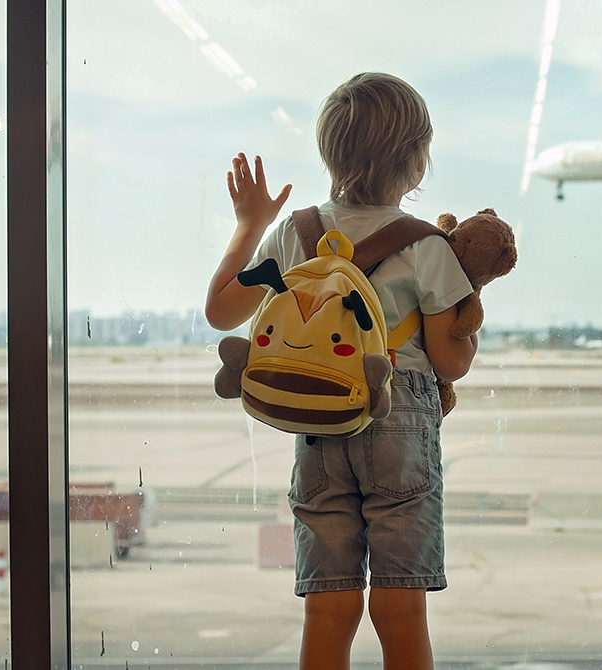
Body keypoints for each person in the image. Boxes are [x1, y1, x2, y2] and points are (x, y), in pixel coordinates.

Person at [203, 72, 477, 670]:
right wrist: (470, 302)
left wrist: (250, 224)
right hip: (396, 420)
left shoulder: (298, 233)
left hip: (321, 420)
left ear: (328, 152)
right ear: (416, 161)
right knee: (400, 607)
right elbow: (450, 358)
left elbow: (222, 309)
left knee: (329, 605)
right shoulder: (427, 246)